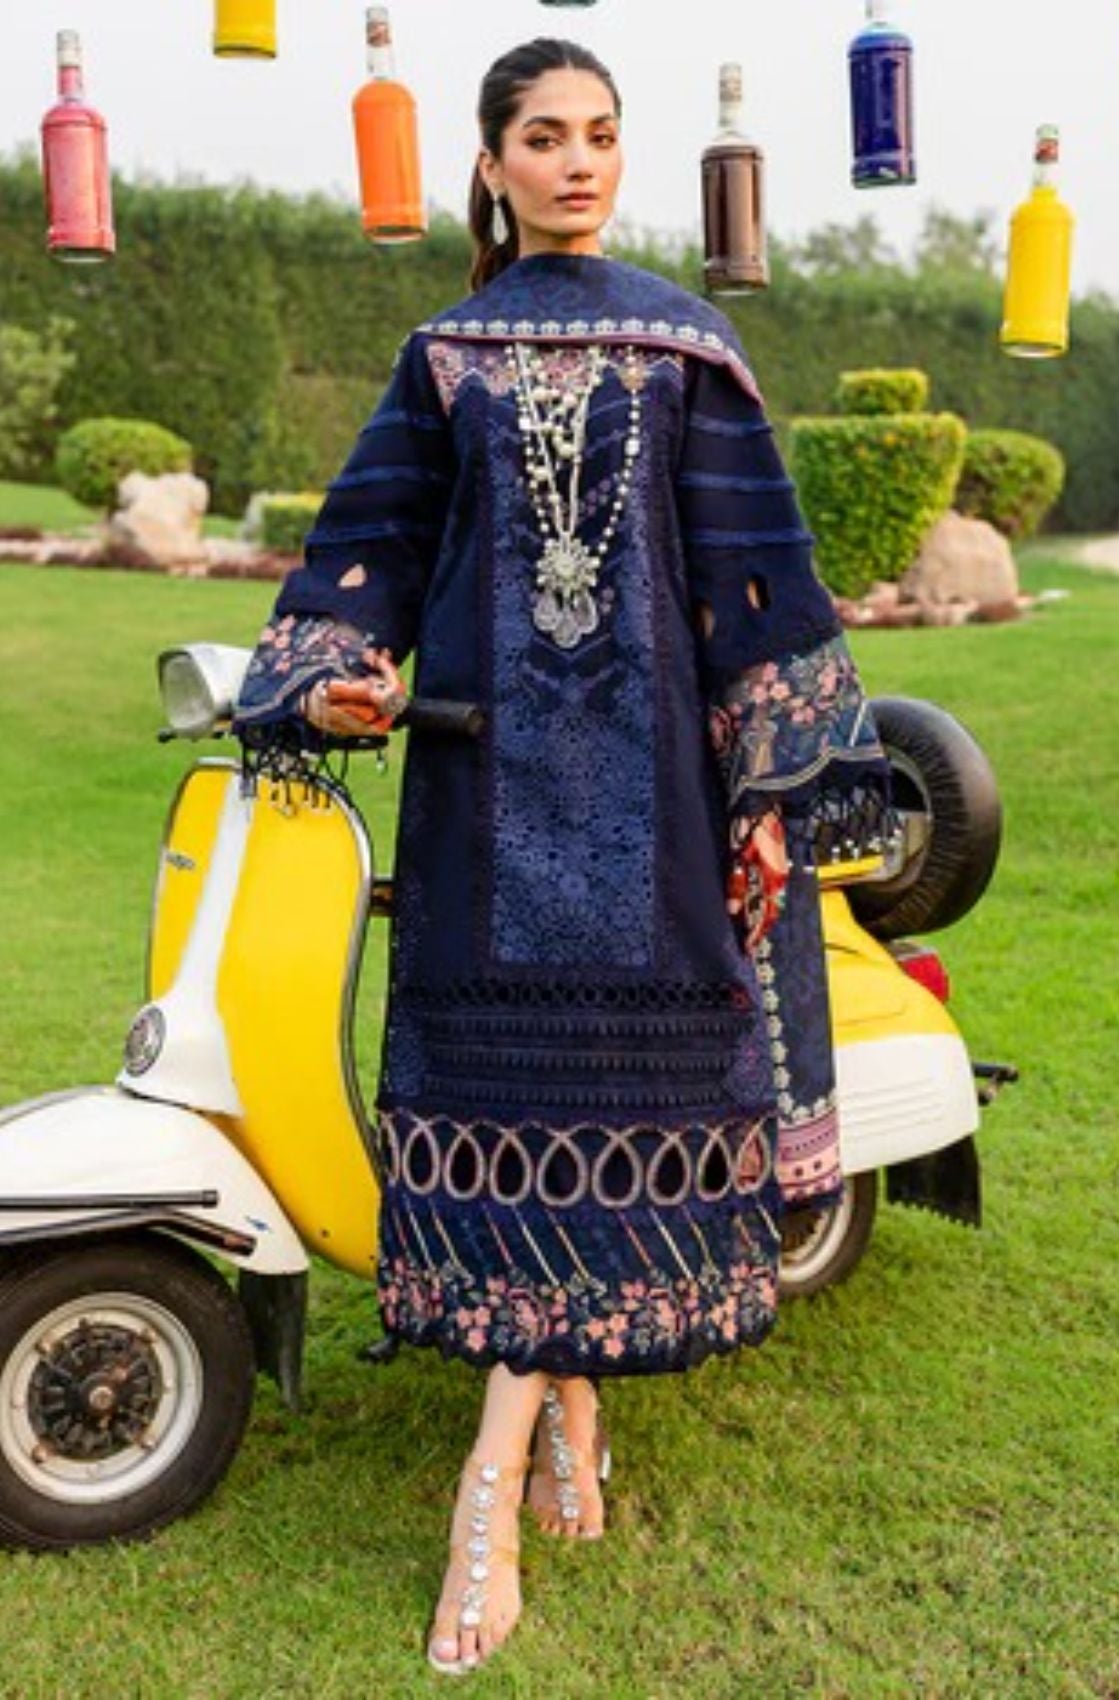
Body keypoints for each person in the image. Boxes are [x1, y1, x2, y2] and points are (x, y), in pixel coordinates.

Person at [234, 36, 892, 1678]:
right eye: (543, 136)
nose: (577, 161)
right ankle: (551, 1430)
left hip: (659, 811)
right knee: (511, 1106)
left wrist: (770, 777)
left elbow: (753, 574)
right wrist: (338, 676)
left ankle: (495, 1472)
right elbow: (371, 548)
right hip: (486, 802)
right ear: (492, 165)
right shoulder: (445, 358)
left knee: (625, 1103)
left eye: (599, 133)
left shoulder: (682, 343)